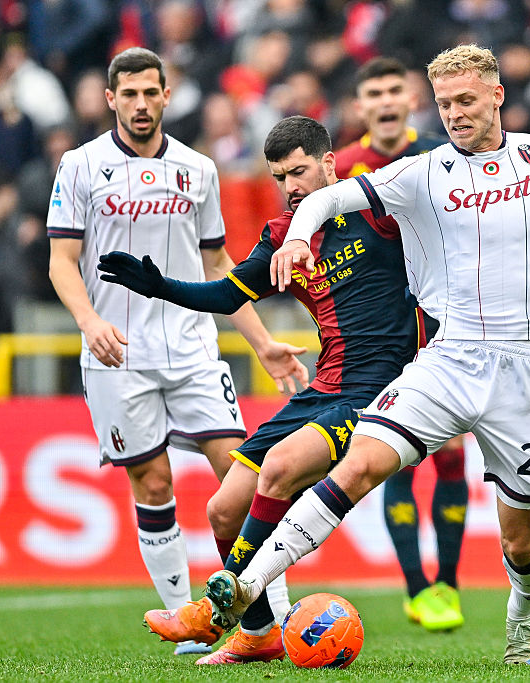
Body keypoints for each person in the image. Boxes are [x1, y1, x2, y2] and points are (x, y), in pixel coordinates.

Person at [191, 43, 530, 665]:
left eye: (465, 100)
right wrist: (298, 238)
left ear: (497, 96)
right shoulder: (423, 172)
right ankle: (246, 584)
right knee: (358, 464)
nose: (455, 114)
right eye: (444, 104)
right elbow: (327, 199)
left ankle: (523, 618)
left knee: (521, 539)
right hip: (451, 357)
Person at [97, 114, 436, 664]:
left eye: (300, 171)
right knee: (222, 510)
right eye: (281, 177)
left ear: (330, 163)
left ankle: (218, 605)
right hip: (324, 387)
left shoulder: (380, 213)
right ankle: (258, 634)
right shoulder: (283, 236)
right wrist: (160, 287)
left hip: (382, 390)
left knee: (279, 468)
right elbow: (228, 295)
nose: (292, 186)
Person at [46, 47, 308, 656]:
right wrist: (89, 322)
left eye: (150, 93)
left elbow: (219, 264)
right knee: (152, 478)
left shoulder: (198, 169)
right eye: (128, 94)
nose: (140, 104)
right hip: (118, 353)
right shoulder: (80, 166)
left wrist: (264, 343)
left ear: (168, 95)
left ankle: (276, 619)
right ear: (111, 99)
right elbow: (61, 262)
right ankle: (184, 618)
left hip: (193, 348)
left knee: (243, 479)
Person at [336, 55, 467, 632]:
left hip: (446, 329)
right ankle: (418, 588)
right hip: (384, 337)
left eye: (395, 89)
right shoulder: (342, 170)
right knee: (397, 462)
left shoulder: (444, 156)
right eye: (374, 93)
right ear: (360, 107)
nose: (386, 101)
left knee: (454, 456)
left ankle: (451, 585)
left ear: (411, 98)